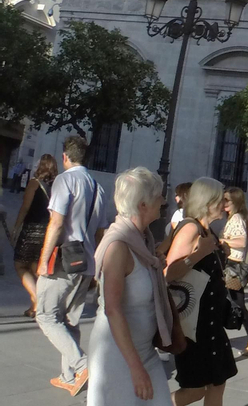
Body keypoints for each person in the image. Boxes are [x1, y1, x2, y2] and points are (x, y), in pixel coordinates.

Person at [87, 167, 173, 406]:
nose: (163, 201)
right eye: (159, 196)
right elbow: (112, 309)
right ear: (143, 204)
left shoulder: (142, 240)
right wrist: (135, 367)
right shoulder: (118, 246)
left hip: (145, 351)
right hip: (117, 355)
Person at [35, 136, 114, 397]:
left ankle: (81, 365)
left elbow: (56, 223)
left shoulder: (65, 180)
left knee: (46, 315)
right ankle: (68, 376)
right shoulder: (98, 186)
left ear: (65, 156)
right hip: (87, 261)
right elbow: (102, 230)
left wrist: (44, 259)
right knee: (70, 318)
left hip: (64, 260)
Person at [165, 177, 237, 405]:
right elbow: (168, 272)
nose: (225, 206)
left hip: (210, 320)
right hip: (194, 326)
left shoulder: (208, 232)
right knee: (195, 389)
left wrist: (220, 253)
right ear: (208, 202)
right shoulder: (190, 228)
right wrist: (198, 254)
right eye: (221, 200)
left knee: (218, 381)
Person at [9, 152, 56, 316]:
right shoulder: (56, 185)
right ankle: (34, 306)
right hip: (47, 231)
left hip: (31, 230)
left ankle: (36, 298)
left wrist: (16, 227)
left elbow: (25, 208)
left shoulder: (34, 184)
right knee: (36, 267)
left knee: (20, 265)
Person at [219, 187, 248, 357]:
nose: (224, 203)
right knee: (237, 302)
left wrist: (221, 241)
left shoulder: (236, 218)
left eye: (227, 200)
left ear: (235, 201)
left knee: (237, 303)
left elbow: (241, 241)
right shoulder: (237, 217)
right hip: (233, 267)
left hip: (233, 268)